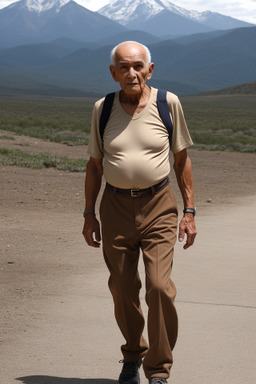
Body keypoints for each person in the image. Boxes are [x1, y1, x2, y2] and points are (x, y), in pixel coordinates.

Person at [82, 41, 197, 384]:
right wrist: (89, 214)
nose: (131, 73)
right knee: (122, 287)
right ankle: (132, 355)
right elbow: (94, 165)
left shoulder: (167, 103)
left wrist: (189, 211)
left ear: (150, 69)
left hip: (159, 205)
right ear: (113, 72)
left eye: (137, 66)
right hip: (114, 206)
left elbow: (181, 161)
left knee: (159, 288)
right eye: (123, 67)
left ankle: (158, 371)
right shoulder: (102, 108)